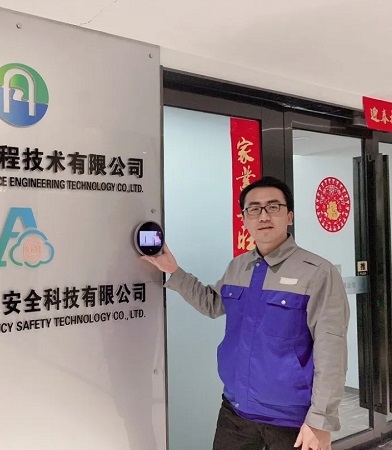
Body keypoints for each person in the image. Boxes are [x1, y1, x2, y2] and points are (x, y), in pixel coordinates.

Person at [142, 176, 349, 450]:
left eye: (273, 207)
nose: (263, 216)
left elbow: (331, 349)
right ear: (244, 219)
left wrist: (320, 421)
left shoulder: (318, 272)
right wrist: (174, 271)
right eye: (254, 209)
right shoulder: (239, 267)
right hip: (236, 411)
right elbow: (212, 304)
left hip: (292, 419)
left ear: (289, 216)